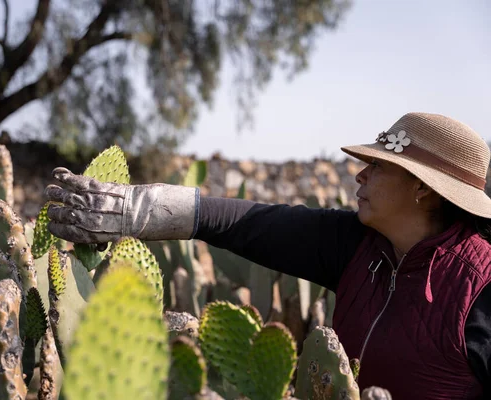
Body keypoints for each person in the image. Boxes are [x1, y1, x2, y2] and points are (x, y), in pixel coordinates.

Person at [43, 112, 491, 400]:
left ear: (422, 188)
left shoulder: (482, 291)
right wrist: (138, 210)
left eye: (379, 167)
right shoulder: (357, 244)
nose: (360, 175)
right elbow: (249, 223)